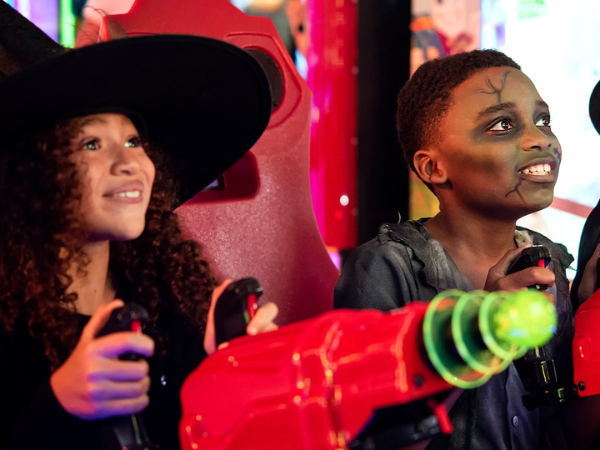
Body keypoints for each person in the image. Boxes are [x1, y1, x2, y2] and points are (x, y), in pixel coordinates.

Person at [0, 3, 277, 449]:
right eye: (92, 143)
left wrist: (222, 374)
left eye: (133, 140)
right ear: (32, 176)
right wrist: (60, 407)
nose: (130, 163)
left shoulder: (173, 306)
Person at [334, 49, 574, 450]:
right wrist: (480, 333)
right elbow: (372, 435)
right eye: (502, 125)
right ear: (433, 168)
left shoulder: (549, 260)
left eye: (543, 120)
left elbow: (564, 422)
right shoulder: (387, 269)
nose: (541, 139)